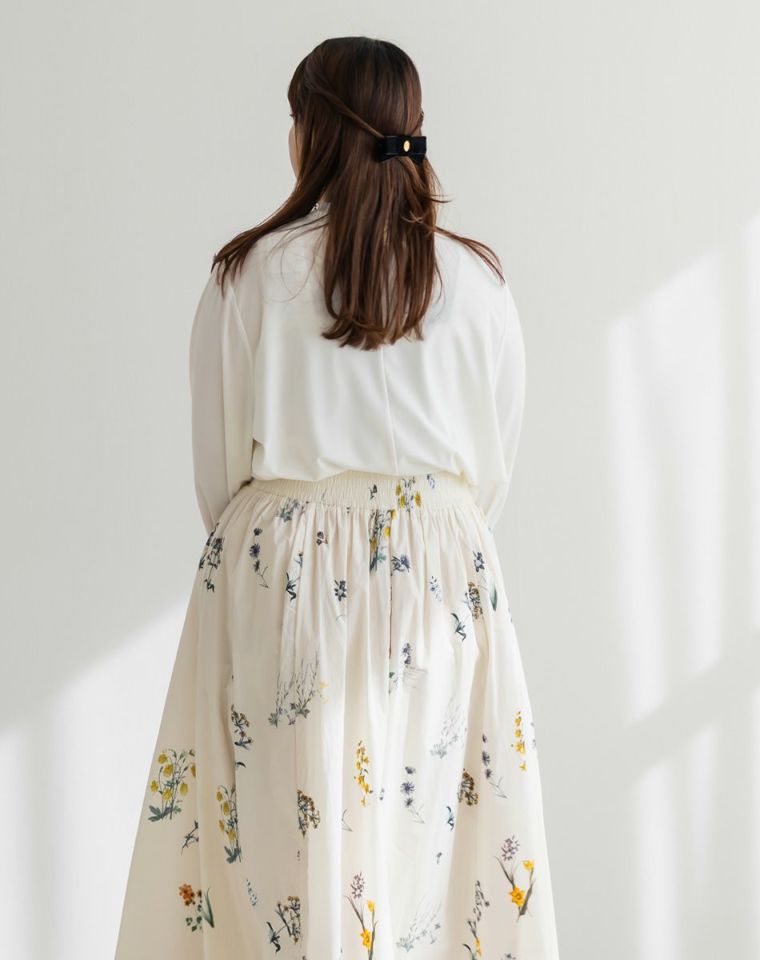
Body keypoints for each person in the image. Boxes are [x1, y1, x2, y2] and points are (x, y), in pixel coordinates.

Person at [115, 35, 560, 960]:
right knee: (424, 865)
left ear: (311, 131)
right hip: (439, 581)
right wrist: (419, 538)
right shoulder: (476, 282)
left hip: (285, 579)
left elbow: (218, 471)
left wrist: (290, 547)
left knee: (283, 864)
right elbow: (491, 467)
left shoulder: (250, 274)